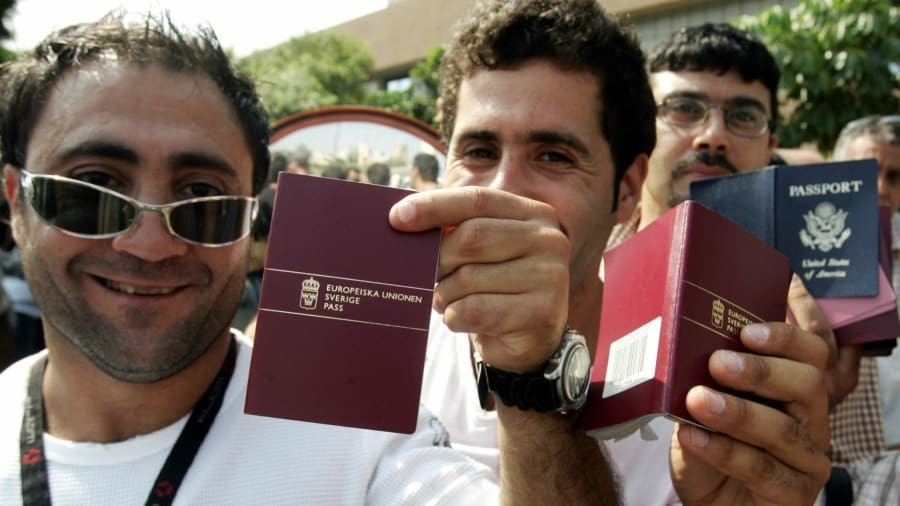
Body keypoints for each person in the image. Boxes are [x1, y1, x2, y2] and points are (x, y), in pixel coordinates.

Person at [0, 12, 614, 504]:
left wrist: (528, 384)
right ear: (14, 200)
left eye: (201, 198)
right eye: (90, 191)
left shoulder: (354, 435)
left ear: (253, 217)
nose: (149, 242)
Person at [416, 8, 830, 506]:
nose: (503, 190)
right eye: (479, 151)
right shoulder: (386, 336)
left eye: (554, 156)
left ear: (627, 190)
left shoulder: (706, 407)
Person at [826, 115, 900, 503]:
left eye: (895, 177)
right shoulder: (797, 253)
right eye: (866, 172)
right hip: (817, 470)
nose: (881, 188)